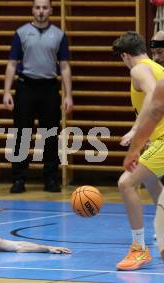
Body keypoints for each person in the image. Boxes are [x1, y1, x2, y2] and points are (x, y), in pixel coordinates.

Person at [3, 0, 73, 194]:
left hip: (49, 88)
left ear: (50, 10)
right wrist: (7, 91)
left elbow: (65, 66)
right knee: (22, 135)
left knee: (50, 135)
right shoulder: (21, 33)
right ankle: (18, 179)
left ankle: (51, 178)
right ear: (32, 10)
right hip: (26, 87)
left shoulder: (59, 35)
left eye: (44, 8)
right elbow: (11, 63)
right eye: (37, 7)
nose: (41, 11)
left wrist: (68, 95)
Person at [112, 31, 164, 270]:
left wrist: (135, 133)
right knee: (152, 182)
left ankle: (139, 249)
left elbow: (154, 97)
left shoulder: (138, 69)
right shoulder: (156, 66)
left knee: (126, 183)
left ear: (125, 55)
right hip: (158, 139)